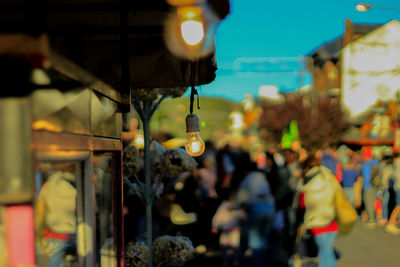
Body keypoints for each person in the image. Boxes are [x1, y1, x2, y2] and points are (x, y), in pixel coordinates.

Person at [233, 153, 275, 267]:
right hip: (270, 207)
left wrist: (232, 206)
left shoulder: (247, 179)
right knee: (264, 237)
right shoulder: (262, 177)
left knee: (255, 238)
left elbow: (240, 198)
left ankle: (258, 262)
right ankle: (265, 261)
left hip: (257, 208)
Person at [300, 155, 339, 267]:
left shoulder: (307, 182)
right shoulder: (330, 177)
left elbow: (302, 204)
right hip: (332, 220)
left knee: (325, 252)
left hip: (317, 222)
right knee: (325, 251)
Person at [35, 165, 77, 267]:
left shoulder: (48, 186)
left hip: (52, 235)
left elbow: (40, 210)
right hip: (72, 234)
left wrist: (37, 231)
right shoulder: (76, 186)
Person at [212, 191, 246, 267]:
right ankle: (225, 262)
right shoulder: (224, 205)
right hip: (225, 230)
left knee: (235, 248)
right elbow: (218, 216)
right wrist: (215, 225)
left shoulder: (238, 206)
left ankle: (235, 261)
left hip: (235, 231)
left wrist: (243, 227)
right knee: (224, 247)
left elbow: (243, 217)